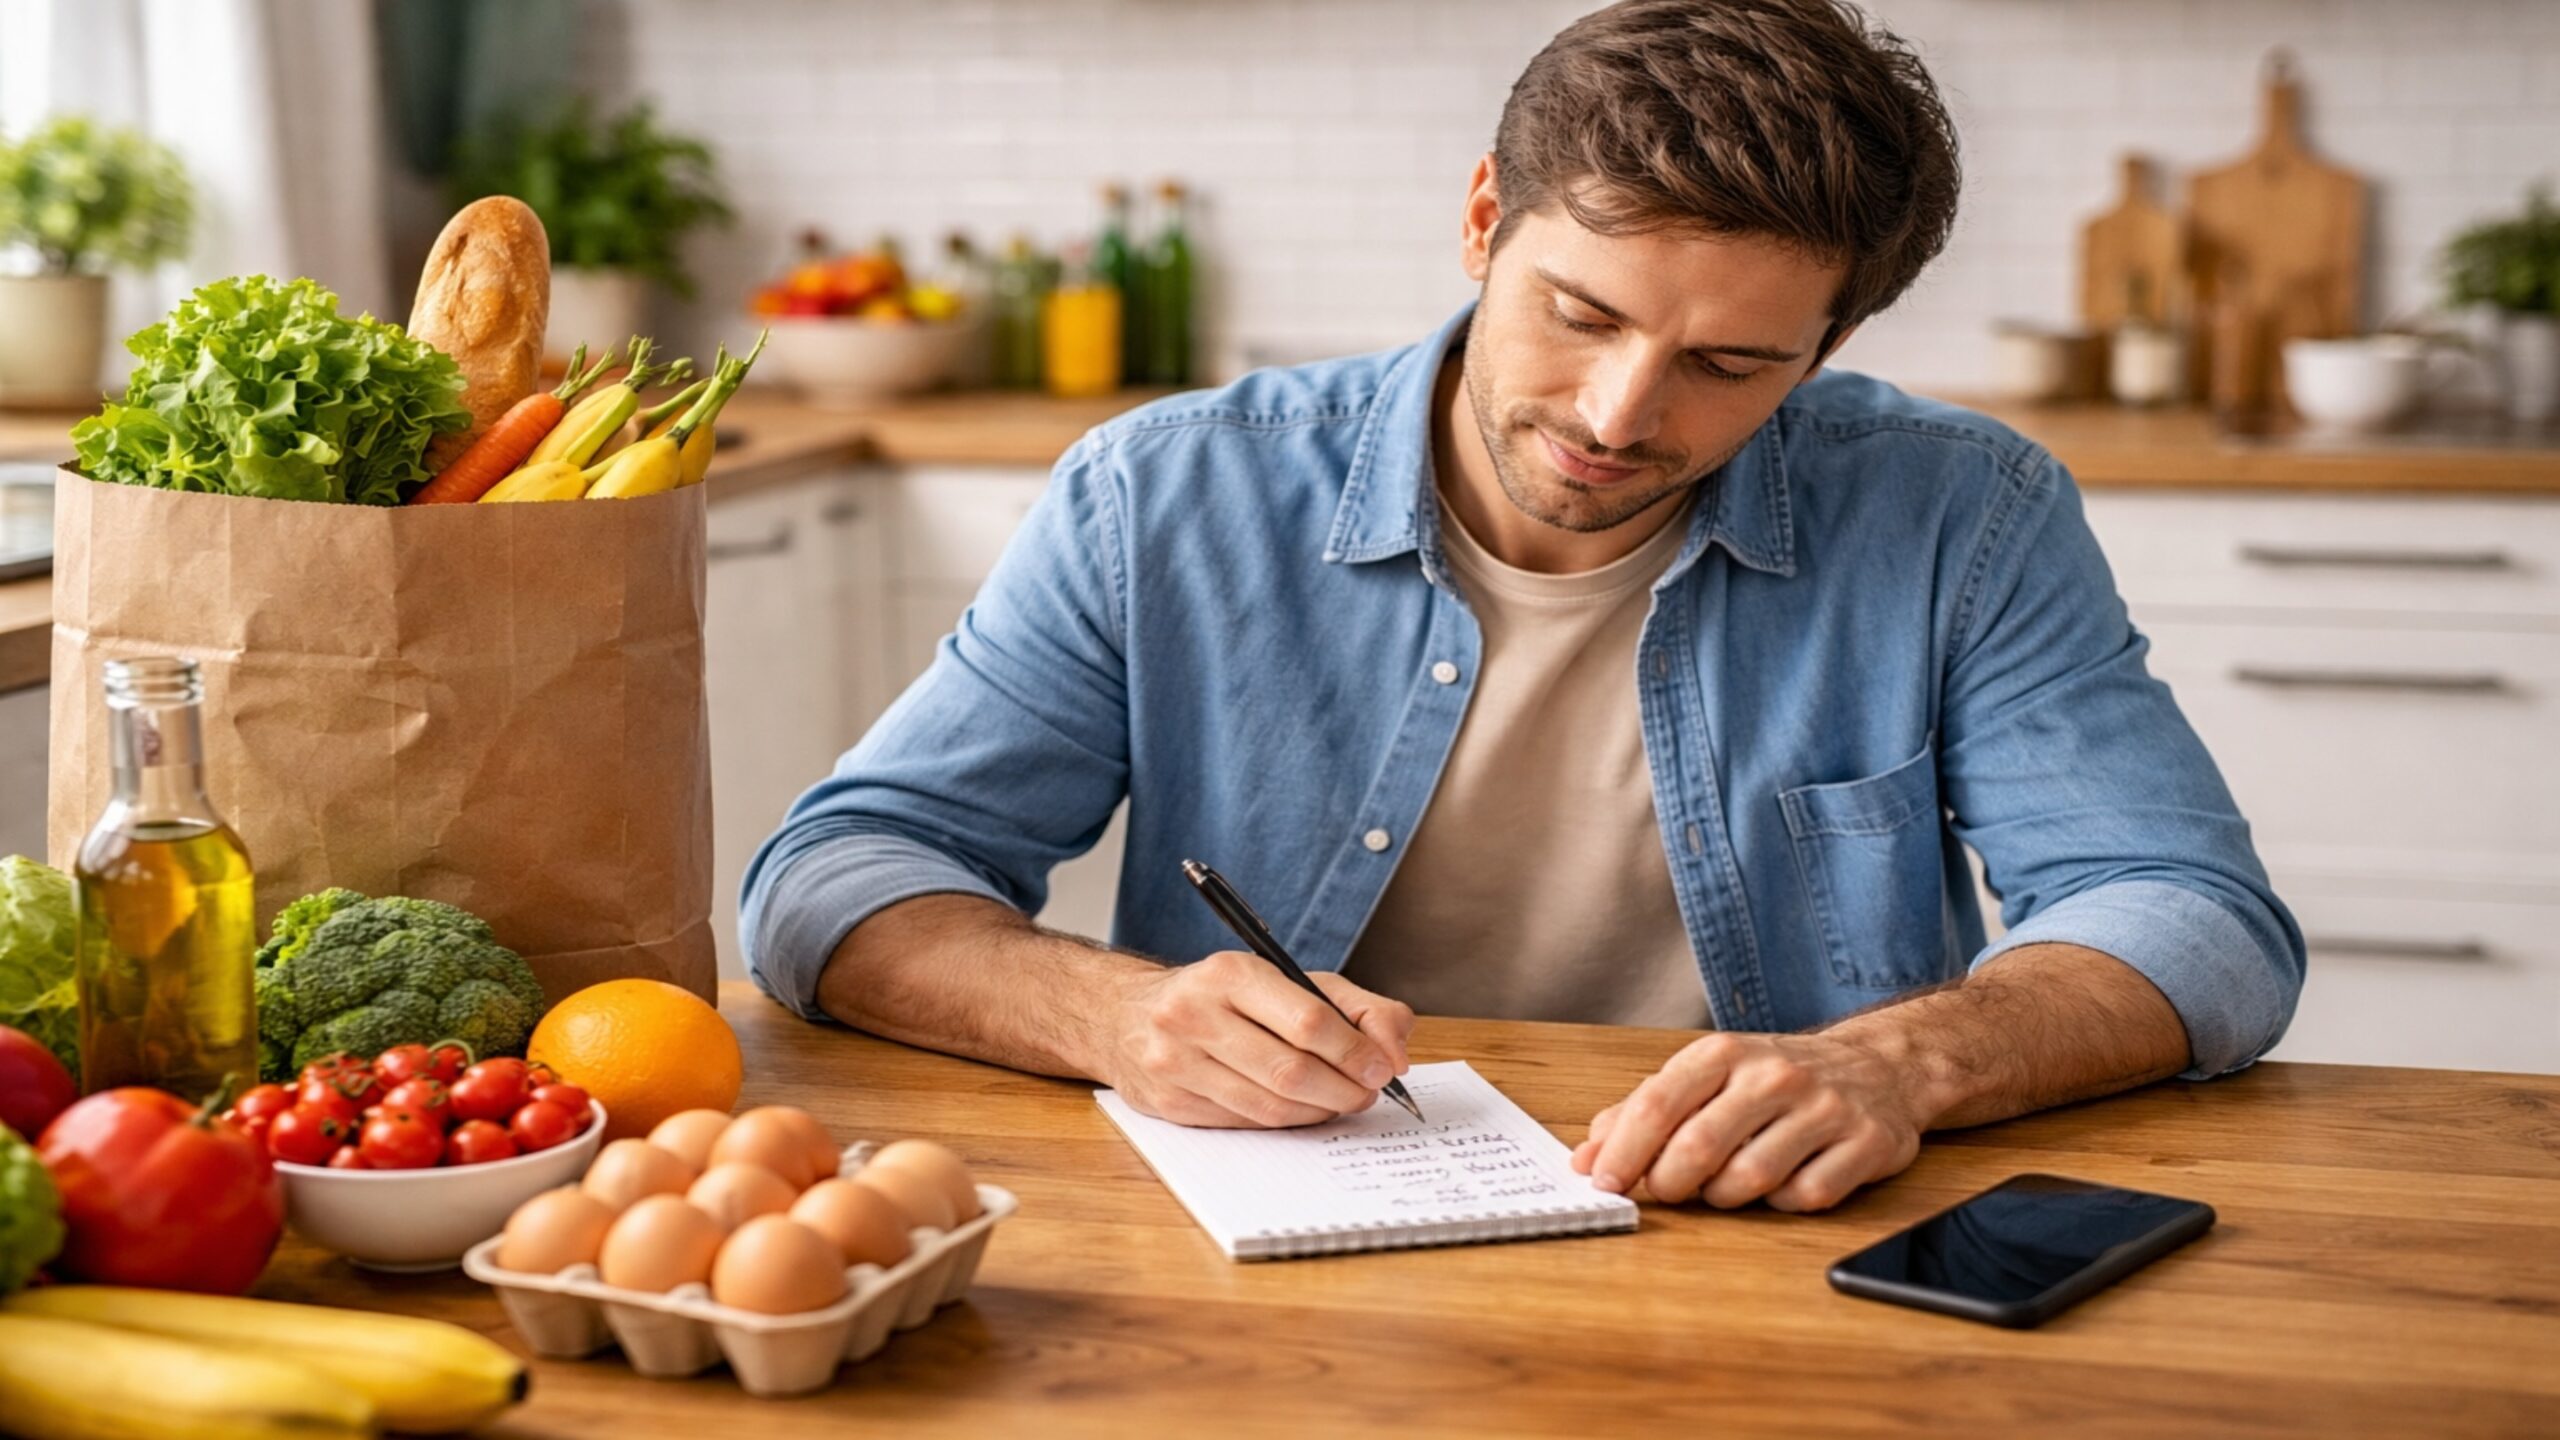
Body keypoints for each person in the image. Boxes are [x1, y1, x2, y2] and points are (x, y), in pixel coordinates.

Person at [742, 0, 2303, 1214]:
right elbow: (835, 880)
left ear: (1827, 348)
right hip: (1283, 1237)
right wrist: (1109, 1016)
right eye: (1581, 313)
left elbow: (2192, 917)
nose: (1619, 414)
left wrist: (1900, 1061)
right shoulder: (1165, 495)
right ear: (1485, 218)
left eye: (1730, 364)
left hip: (1771, 1242)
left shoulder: (1961, 511)